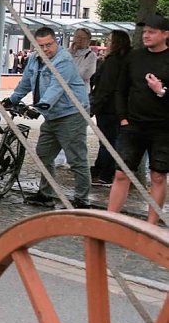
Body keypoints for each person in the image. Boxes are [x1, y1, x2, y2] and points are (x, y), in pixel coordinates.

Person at [3, 26, 91, 208]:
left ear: (56, 42)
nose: (45, 49)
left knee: (77, 159)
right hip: (53, 116)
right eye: (41, 46)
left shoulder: (64, 60)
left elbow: (57, 87)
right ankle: (46, 195)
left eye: (49, 45)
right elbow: (26, 82)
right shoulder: (34, 59)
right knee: (44, 154)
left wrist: (41, 107)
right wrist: (12, 99)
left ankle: (82, 201)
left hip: (72, 114)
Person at [107, 14, 169, 225]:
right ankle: (110, 220)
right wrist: (123, 118)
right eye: (144, 32)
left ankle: (151, 225)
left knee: (158, 176)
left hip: (163, 128)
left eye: (152, 32)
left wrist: (161, 91)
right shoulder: (134, 58)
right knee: (121, 173)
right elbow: (120, 90)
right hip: (133, 125)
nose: (146, 36)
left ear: (165, 34)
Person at [89, 30, 131, 186]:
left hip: (108, 108)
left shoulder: (113, 61)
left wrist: (95, 105)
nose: (106, 42)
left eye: (109, 39)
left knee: (108, 142)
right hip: (117, 108)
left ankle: (105, 174)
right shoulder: (125, 59)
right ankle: (100, 169)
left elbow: (106, 87)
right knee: (109, 141)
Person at [55, 27, 98, 168]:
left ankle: (75, 159)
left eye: (82, 38)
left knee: (76, 129)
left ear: (88, 40)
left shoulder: (90, 56)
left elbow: (85, 74)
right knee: (61, 126)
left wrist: (69, 73)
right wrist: (70, 53)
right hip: (64, 96)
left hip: (80, 96)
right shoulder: (67, 53)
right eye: (76, 36)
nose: (78, 40)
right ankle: (60, 157)